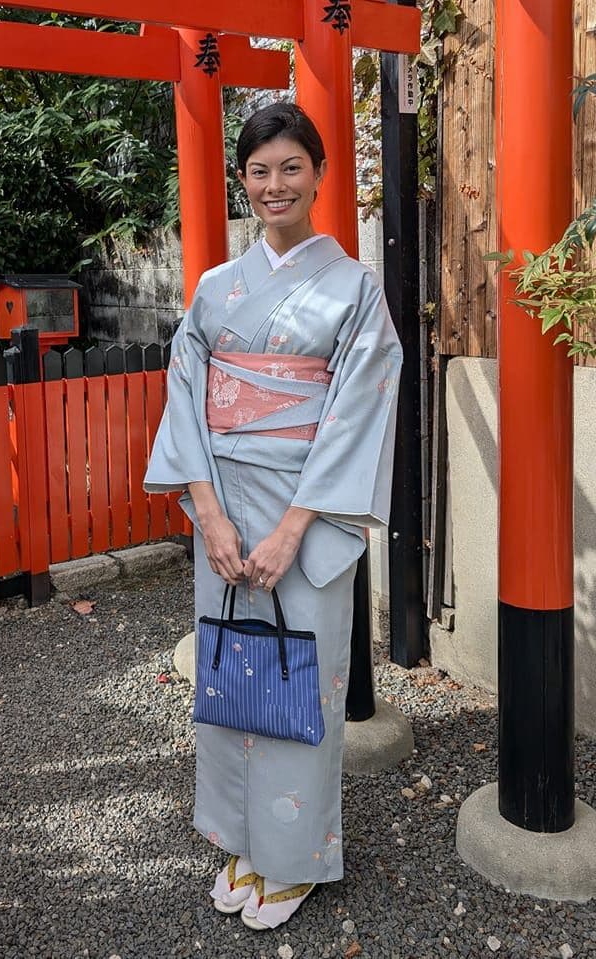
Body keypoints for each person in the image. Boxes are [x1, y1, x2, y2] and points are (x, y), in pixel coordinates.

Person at [144, 102, 402, 930]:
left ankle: (293, 856)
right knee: (232, 674)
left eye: (291, 167)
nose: (275, 184)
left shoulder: (355, 290)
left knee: (301, 679)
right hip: (223, 505)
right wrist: (208, 514)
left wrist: (294, 528)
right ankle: (240, 837)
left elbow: (357, 413)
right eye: (259, 171)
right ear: (243, 180)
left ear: (320, 175)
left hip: (306, 511)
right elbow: (186, 398)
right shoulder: (215, 289)